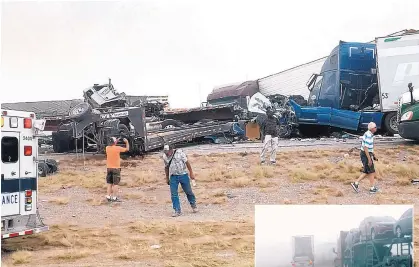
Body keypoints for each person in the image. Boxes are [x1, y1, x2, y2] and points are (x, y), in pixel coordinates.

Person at [162, 144, 197, 217]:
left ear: (171, 150)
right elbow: (166, 167)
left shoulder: (180, 153)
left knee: (188, 191)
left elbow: (187, 163)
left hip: (183, 175)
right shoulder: (165, 156)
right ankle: (177, 210)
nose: (166, 153)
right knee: (174, 194)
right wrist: (167, 177)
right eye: (165, 152)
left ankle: (193, 204)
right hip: (173, 176)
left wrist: (191, 173)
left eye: (167, 152)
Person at [351, 122, 379, 194]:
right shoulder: (369, 135)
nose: (376, 128)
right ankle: (372, 188)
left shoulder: (367, 133)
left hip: (366, 154)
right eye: (375, 127)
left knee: (367, 171)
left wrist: (374, 155)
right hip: (366, 154)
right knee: (371, 171)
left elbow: (369, 147)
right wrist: (369, 159)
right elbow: (366, 147)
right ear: (372, 129)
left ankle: (356, 183)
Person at [105, 137, 129, 202]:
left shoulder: (107, 148)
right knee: (115, 184)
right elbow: (127, 149)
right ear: (115, 142)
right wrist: (126, 142)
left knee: (109, 183)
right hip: (116, 168)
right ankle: (114, 197)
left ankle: (108, 196)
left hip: (109, 168)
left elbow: (112, 145)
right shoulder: (118, 148)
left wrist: (116, 141)